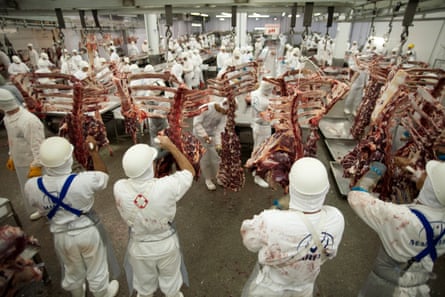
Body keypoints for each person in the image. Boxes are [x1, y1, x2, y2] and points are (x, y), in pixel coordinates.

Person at [24, 136, 120, 297]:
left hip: (61, 235)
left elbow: (35, 202)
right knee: (96, 266)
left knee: (72, 269)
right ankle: (102, 293)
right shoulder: (83, 180)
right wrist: (94, 152)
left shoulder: (32, 186)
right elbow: (103, 177)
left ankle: (78, 293)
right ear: (69, 159)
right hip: (87, 232)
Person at [241, 157, 345, 297]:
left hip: (270, 289)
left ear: (290, 187)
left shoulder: (270, 220)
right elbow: (330, 253)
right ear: (326, 190)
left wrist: (276, 207)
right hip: (304, 289)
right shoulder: (336, 218)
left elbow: (249, 241)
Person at [348, 160, 445, 296]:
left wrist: (373, 174)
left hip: (385, 287)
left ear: (430, 187)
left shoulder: (399, 217)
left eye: (427, 175)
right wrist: (413, 172)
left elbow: (356, 196)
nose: (423, 174)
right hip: (418, 284)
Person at [113, 136, 196, 297]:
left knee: (144, 289)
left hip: (138, 245)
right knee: (171, 282)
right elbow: (189, 172)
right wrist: (172, 147)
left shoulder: (119, 187)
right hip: (165, 244)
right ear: (150, 166)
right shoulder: (166, 186)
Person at [1, 88, 44, 221]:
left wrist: (37, 164)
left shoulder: (29, 121)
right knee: (30, 191)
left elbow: (37, 144)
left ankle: (50, 211)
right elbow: (11, 139)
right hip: (20, 161)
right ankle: (41, 210)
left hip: (32, 163)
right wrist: (11, 155)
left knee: (42, 191)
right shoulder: (8, 118)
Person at [193, 99, 228, 190]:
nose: (224, 113)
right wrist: (205, 136)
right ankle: (208, 179)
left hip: (212, 134)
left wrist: (218, 143)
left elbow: (220, 129)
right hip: (199, 135)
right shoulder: (205, 108)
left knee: (216, 158)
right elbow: (196, 124)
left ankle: (218, 177)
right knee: (205, 158)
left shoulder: (224, 114)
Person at [246, 80, 274, 188]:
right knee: (262, 151)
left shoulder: (255, 94)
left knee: (258, 149)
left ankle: (255, 170)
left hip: (260, 126)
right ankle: (258, 175)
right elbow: (266, 114)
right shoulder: (261, 99)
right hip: (262, 127)